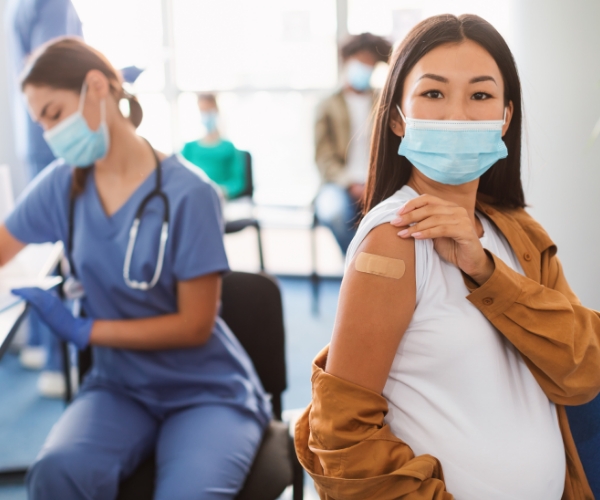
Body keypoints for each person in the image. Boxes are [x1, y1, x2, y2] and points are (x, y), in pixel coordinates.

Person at [296, 14, 600, 499]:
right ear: (397, 116)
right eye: (433, 94)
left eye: (480, 95)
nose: (458, 114)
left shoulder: (518, 231)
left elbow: (583, 371)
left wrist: (486, 271)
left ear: (505, 117)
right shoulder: (394, 239)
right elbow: (342, 438)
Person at [0, 38, 271, 499]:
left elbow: (194, 326)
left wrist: (87, 332)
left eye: (53, 113)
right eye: (40, 122)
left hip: (205, 392)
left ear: (97, 87)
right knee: (54, 474)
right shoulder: (63, 185)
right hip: (119, 387)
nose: (49, 133)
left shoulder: (190, 193)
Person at [4, 0, 83, 397]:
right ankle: (53, 356)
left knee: (47, 250)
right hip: (52, 146)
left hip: (36, 141)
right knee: (57, 254)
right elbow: (55, 70)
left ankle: (41, 345)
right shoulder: (50, 5)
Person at [314, 33, 392, 254]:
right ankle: (357, 269)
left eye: (371, 63)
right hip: (337, 183)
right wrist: (350, 183)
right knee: (335, 213)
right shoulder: (327, 105)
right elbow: (323, 157)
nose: (365, 67)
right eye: (361, 60)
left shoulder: (384, 102)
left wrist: (374, 182)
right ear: (347, 60)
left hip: (377, 182)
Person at [181, 93, 247, 200]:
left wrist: (221, 191)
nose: (206, 115)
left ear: (216, 112)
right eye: (202, 111)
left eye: (209, 111)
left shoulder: (228, 147)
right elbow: (180, 179)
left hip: (222, 201)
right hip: (195, 199)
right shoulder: (189, 148)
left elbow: (238, 182)